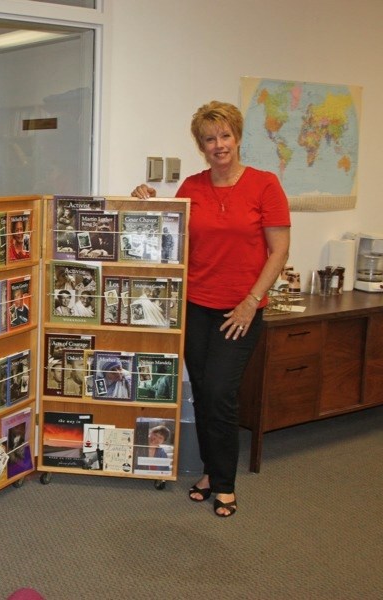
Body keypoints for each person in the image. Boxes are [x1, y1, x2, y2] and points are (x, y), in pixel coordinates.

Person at [132, 100, 290, 517]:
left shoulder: (264, 185)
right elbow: (173, 236)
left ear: (237, 138)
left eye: (224, 136)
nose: (218, 144)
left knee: (221, 393)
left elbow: (279, 251)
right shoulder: (193, 187)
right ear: (201, 146)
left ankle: (224, 483)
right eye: (209, 138)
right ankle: (209, 471)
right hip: (195, 307)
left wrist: (251, 303)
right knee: (202, 392)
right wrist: (147, 200)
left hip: (240, 310)